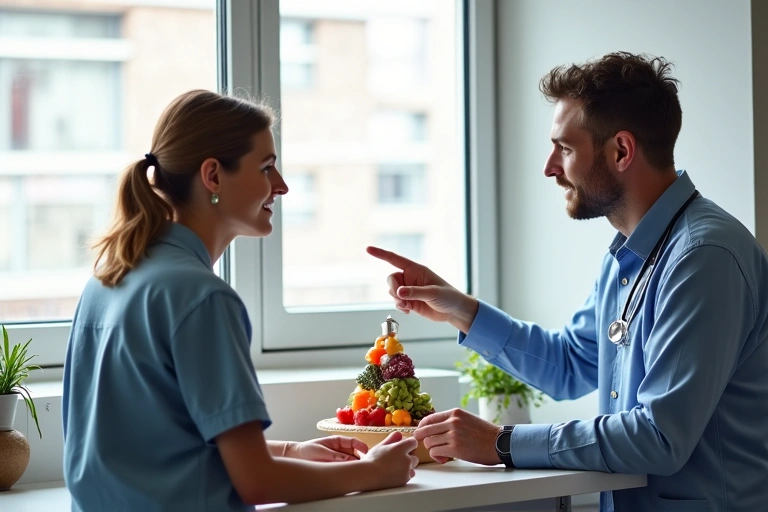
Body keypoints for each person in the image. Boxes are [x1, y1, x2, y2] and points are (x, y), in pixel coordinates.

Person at [367, 52, 768, 512]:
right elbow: (569, 364)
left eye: (565, 148)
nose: (550, 167)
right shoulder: (630, 255)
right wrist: (462, 310)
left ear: (621, 151)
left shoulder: (704, 257)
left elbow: (660, 436)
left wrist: (501, 443)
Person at [62, 90, 418, 511]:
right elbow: (257, 483)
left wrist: (288, 451)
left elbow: (151, 445)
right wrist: (374, 471)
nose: (281, 186)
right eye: (266, 167)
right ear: (213, 176)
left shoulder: (107, 279)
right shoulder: (203, 298)